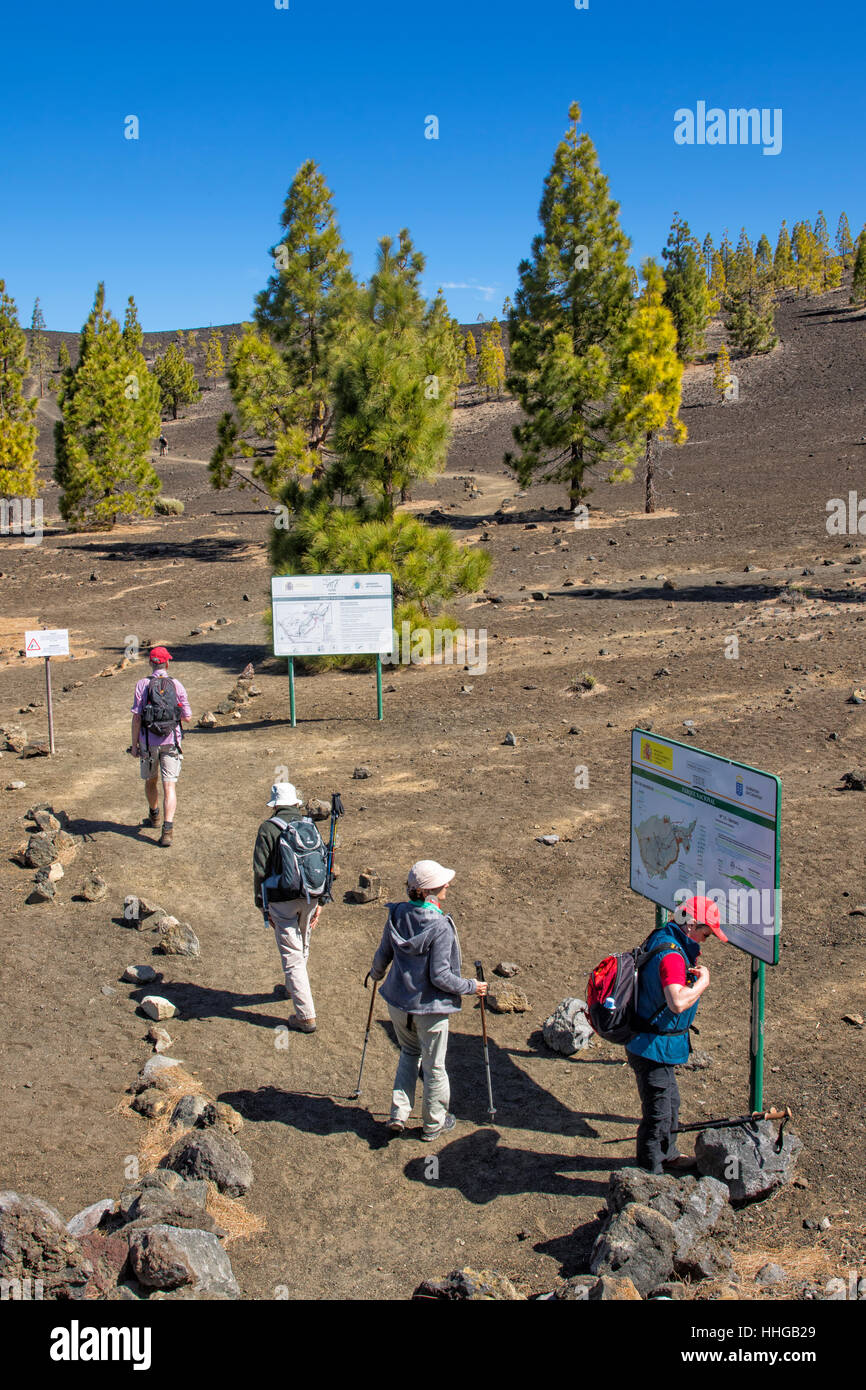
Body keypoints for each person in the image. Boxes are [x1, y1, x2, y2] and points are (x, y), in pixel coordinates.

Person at [368, 860, 487, 1142]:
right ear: (428, 891)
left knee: (408, 1055)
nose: (448, 885)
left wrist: (375, 974)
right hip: (429, 1010)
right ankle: (434, 1123)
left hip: (397, 1004)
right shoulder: (441, 926)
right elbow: (441, 977)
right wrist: (472, 986)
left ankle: (399, 1114)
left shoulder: (396, 914)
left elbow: (383, 953)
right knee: (434, 1067)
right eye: (442, 883)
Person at [626, 894, 727, 1174]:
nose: (705, 942)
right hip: (651, 1047)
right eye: (706, 934)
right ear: (692, 925)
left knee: (670, 1102)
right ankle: (650, 1174)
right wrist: (703, 983)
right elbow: (677, 1001)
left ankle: (667, 1156)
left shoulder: (662, 936)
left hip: (652, 1043)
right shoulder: (672, 955)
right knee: (658, 1113)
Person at [253, 782, 325, 1034]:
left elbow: (260, 871)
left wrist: (262, 907)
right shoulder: (308, 825)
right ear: (295, 803)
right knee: (302, 943)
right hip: (310, 895)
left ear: (274, 806)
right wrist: (321, 901)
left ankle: (305, 1016)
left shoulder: (267, 829)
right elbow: (322, 862)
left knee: (291, 956)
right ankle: (292, 987)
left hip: (281, 899)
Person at [129, 646, 191, 848]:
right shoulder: (177, 685)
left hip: (148, 743)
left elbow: (137, 718)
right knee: (169, 786)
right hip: (171, 742)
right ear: (167, 663)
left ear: (150, 663)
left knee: (150, 780)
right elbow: (187, 717)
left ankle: (154, 815)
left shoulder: (142, 684)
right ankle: (167, 830)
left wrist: (134, 745)